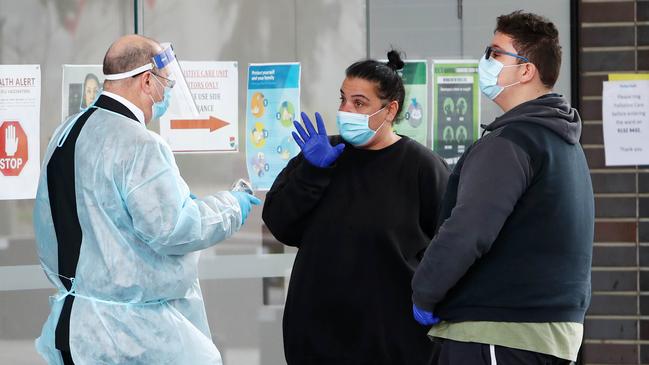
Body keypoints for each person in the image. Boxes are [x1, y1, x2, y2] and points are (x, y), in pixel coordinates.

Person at [33, 34, 260, 365]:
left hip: (74, 325)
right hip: (129, 335)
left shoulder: (66, 133)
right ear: (146, 80)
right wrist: (232, 205)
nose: (166, 93)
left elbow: (56, 220)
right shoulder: (140, 144)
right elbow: (175, 229)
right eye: (165, 84)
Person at [411, 11, 594, 365]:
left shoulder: (510, 142)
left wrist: (424, 291)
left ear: (526, 70)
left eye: (496, 53)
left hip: (496, 333)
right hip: (546, 337)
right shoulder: (564, 143)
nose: (486, 62)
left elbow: (467, 230)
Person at [263, 50, 450, 364]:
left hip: (394, 342)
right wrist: (312, 171)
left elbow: (450, 245)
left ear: (390, 110)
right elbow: (280, 224)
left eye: (359, 103)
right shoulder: (322, 153)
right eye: (343, 99)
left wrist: (437, 303)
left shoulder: (423, 167)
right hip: (317, 338)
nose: (345, 110)